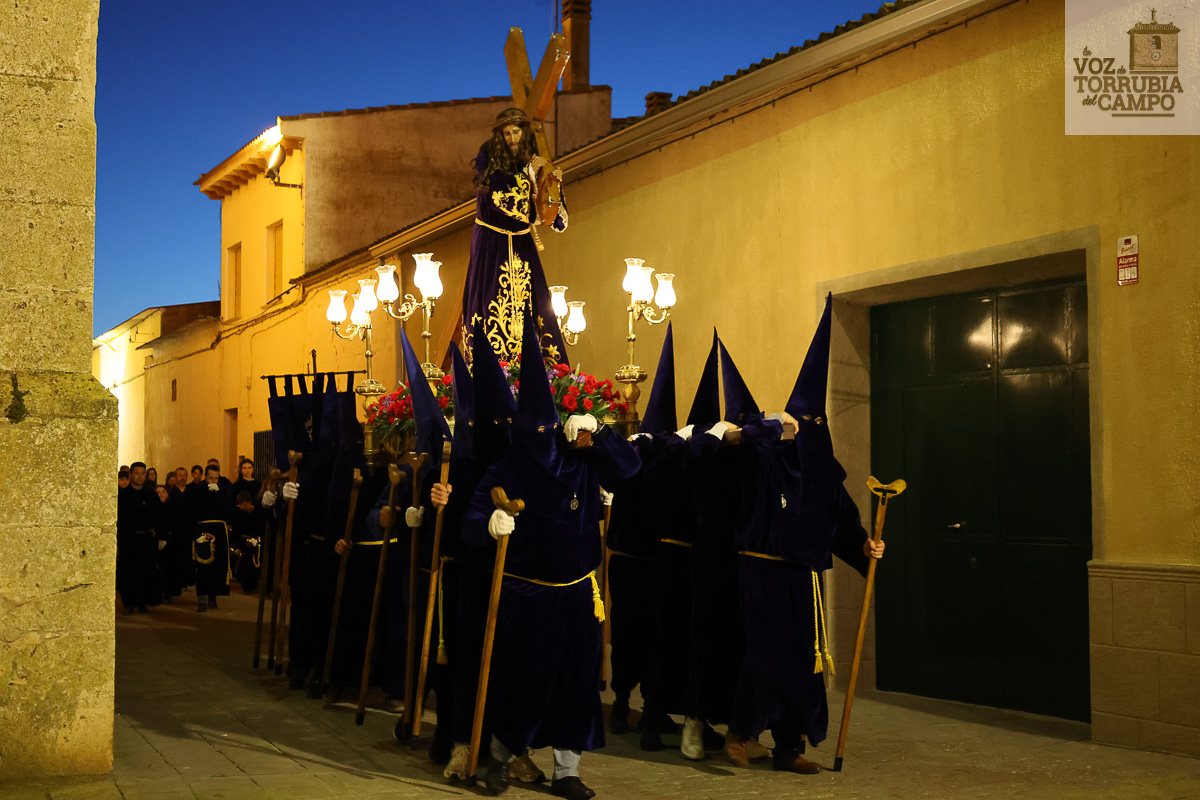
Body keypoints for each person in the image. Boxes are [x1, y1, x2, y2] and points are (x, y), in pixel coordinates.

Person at [462, 317, 640, 800]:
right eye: (533, 430)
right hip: (527, 595)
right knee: (524, 683)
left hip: (579, 593)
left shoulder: (579, 456)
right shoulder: (507, 467)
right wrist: (489, 523)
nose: (542, 437)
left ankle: (567, 771)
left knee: (576, 686)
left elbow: (630, 468)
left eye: (547, 428)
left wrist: (600, 431)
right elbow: (472, 516)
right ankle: (500, 757)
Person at [721, 296, 884, 775]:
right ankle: (741, 729)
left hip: (804, 579)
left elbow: (844, 526)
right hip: (761, 572)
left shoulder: (825, 477)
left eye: (816, 424)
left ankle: (788, 747)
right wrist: (772, 428)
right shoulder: (765, 462)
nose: (809, 431)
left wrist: (865, 547)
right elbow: (733, 443)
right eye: (802, 423)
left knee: (803, 665)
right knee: (766, 656)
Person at [461, 107, 568, 364]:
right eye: (507, 133)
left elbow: (543, 215)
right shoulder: (489, 159)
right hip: (493, 245)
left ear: (524, 131)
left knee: (534, 304)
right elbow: (500, 195)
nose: (512, 138)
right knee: (491, 302)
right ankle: (496, 368)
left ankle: (538, 367)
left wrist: (551, 184)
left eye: (516, 131)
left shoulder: (532, 158)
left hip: (521, 243)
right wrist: (528, 176)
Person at [116, 462, 163, 613]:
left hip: (146, 538)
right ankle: (129, 603)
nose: (140, 476)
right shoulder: (123, 495)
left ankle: (143, 601)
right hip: (129, 538)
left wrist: (161, 537)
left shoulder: (151, 494)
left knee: (146, 571)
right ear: (131, 474)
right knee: (129, 571)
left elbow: (159, 517)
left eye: (143, 473)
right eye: (137, 473)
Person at [188, 464, 235, 611]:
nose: (213, 481)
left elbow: (229, 510)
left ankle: (213, 597)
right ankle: (202, 599)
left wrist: (218, 494)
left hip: (219, 530)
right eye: (210, 478)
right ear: (205, 476)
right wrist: (196, 534)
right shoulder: (196, 491)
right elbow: (192, 513)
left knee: (217, 565)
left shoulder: (224, 490)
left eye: (216, 478)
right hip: (203, 529)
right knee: (203, 565)